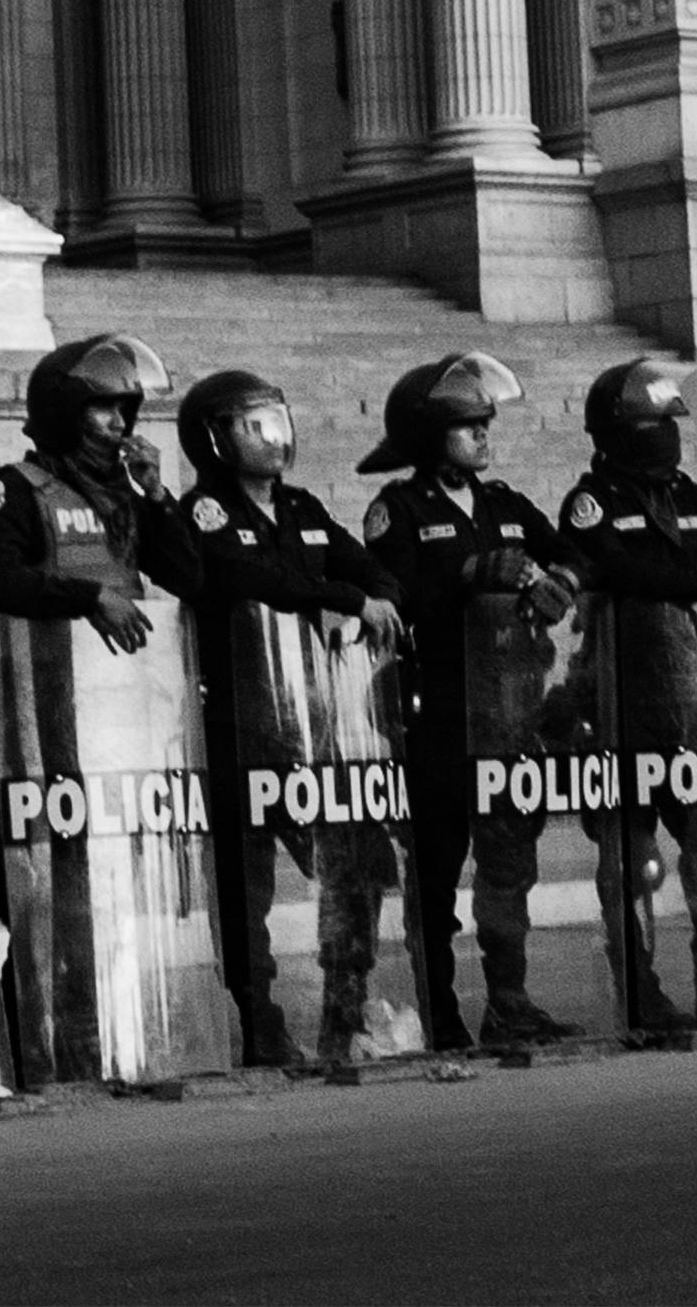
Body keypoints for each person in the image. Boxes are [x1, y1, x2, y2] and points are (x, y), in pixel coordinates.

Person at [176, 366, 408, 1077]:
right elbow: (259, 583)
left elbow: (369, 570)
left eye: (277, 423)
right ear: (214, 440)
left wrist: (374, 597)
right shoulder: (205, 514)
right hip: (239, 727)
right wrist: (345, 595)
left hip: (309, 722)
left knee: (356, 865)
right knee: (246, 893)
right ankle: (260, 1024)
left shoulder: (301, 507)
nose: (273, 440)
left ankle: (348, 1010)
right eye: (253, 427)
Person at [556, 354, 697, 1032]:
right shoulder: (591, 503)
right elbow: (629, 569)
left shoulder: (686, 495)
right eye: (651, 423)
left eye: (668, 422)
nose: (664, 435)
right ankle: (639, 990)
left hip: (687, 699)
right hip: (619, 699)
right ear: (617, 432)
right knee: (628, 862)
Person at [359, 351, 575, 1057]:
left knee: (509, 864)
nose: (484, 435)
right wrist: (465, 574)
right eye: (466, 426)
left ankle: (509, 1004)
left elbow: (573, 550)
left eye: (485, 423)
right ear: (427, 437)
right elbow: (397, 597)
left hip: (512, 712)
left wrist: (562, 582)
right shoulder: (399, 509)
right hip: (442, 717)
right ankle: (441, 1012)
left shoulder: (505, 504)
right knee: (437, 871)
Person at [0, 333, 208, 643]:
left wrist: (156, 494)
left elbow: (187, 579)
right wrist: (91, 597)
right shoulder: (17, 489)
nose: (119, 424)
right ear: (65, 413)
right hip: (53, 672)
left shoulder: (121, 498)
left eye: (123, 410)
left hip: (130, 674)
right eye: (105, 409)